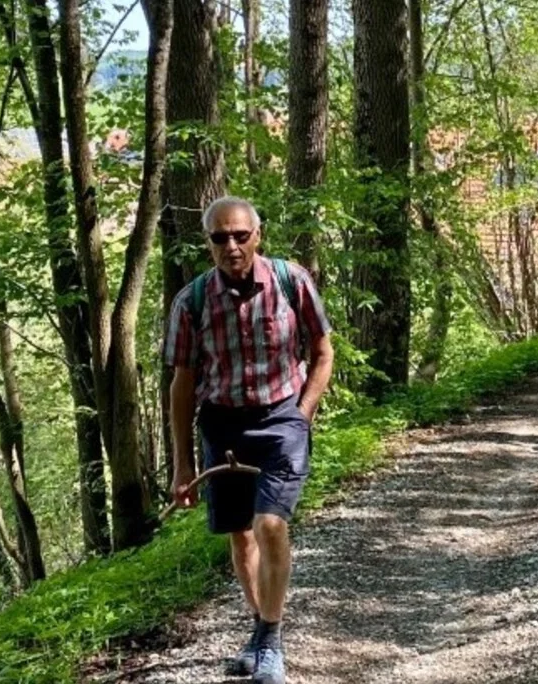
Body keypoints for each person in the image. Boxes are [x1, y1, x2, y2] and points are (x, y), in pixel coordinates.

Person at [165, 196, 334, 684]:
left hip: (282, 419)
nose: (232, 246)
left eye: (241, 235)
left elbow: (323, 352)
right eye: (220, 237)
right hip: (221, 423)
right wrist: (182, 465)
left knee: (270, 525)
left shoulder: (291, 281)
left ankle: (271, 644)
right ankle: (261, 630)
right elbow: (182, 385)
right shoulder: (191, 302)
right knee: (241, 535)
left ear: (258, 235)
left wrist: (302, 414)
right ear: (208, 243)